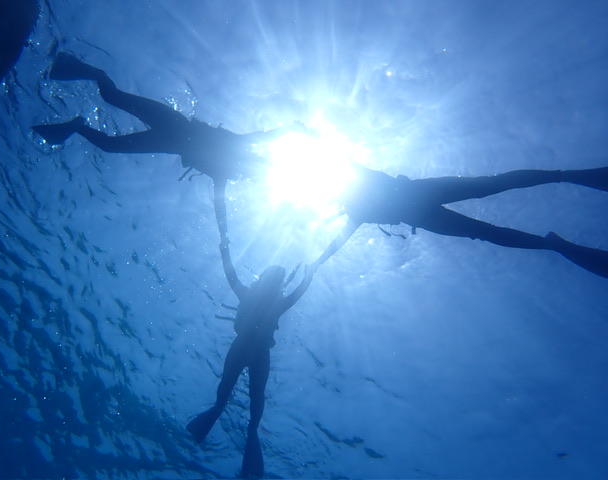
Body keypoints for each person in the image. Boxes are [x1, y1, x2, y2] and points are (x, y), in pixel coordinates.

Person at [186, 179, 316, 478]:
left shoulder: (260, 298)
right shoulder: (269, 300)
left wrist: (225, 250)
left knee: (246, 398)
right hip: (255, 351)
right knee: (242, 398)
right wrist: (308, 276)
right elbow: (294, 292)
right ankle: (239, 431)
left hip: (246, 348)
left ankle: (236, 430)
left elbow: (231, 273)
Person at [32, 52, 304, 182]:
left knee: (109, 145)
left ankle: (77, 126)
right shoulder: (237, 147)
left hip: (168, 143)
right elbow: (262, 136)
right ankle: (93, 72)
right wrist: (293, 130)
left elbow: (220, 200)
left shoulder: (224, 174)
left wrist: (224, 238)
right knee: (111, 97)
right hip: (173, 124)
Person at [316, 163, 608, 278]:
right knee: (488, 197)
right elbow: (340, 239)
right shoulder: (355, 205)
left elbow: (339, 238)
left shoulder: (354, 189)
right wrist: (318, 262)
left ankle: (552, 240)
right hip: (418, 203)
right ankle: (553, 241)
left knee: (486, 206)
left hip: (418, 203)